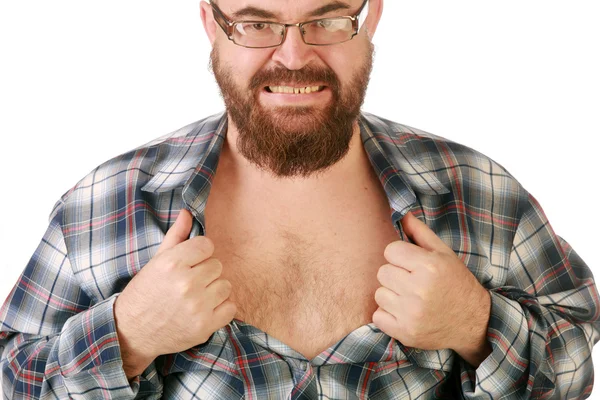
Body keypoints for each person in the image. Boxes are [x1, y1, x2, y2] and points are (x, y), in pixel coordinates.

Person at [1, 0, 598, 398]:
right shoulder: (103, 206)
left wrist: (477, 324)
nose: (293, 56)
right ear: (211, 21)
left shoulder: (480, 192)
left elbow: (577, 358)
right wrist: (125, 338)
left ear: (372, 15)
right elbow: (11, 377)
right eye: (257, 22)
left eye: (328, 18)